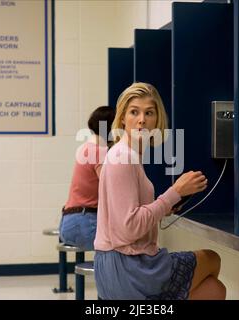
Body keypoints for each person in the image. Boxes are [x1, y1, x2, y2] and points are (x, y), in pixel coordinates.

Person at [94, 83, 226, 300]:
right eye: (134, 112)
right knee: (211, 259)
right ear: (122, 119)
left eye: (149, 113)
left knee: (213, 291)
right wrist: (173, 193)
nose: (142, 120)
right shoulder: (123, 158)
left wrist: (164, 208)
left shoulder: (129, 155)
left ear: (157, 120)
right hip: (127, 268)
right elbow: (127, 229)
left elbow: (129, 213)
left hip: (122, 265)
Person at [59, 106, 115, 251]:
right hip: (84, 223)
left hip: (68, 223)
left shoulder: (86, 148)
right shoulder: (100, 152)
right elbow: (110, 189)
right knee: (126, 245)